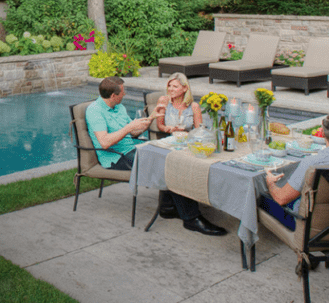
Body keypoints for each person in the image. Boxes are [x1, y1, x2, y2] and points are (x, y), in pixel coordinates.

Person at [86, 77, 227, 236]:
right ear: (113, 96)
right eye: (122, 92)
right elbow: (104, 143)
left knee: (173, 158)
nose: (125, 94)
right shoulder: (94, 111)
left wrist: (151, 117)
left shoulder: (119, 107)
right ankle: (192, 219)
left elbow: (134, 132)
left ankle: (167, 208)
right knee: (172, 168)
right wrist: (129, 127)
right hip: (116, 157)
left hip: (135, 149)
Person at [263, 111, 329, 230]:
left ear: (323, 134)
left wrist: (270, 183)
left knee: (262, 199)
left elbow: (281, 198)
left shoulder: (312, 163)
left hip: (313, 228)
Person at [152, 72, 204, 221]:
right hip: (169, 143)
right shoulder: (164, 100)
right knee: (181, 167)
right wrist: (170, 129)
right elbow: (160, 125)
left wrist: (188, 134)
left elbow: (198, 129)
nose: (170, 89)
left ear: (185, 88)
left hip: (188, 144)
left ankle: (172, 206)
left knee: (195, 165)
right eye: (169, 85)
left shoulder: (193, 106)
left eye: (175, 86)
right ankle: (189, 215)